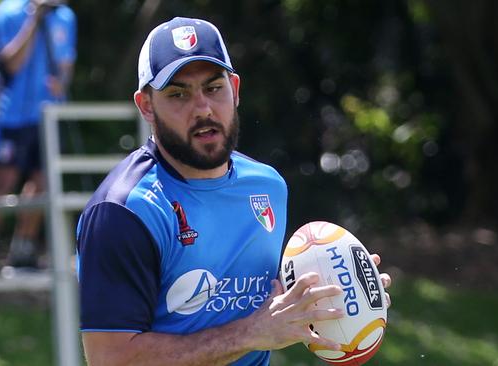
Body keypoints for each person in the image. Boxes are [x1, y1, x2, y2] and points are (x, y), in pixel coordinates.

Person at [76, 17, 391, 365]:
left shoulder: (267, 186)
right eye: (178, 94)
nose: (203, 109)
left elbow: (264, 304)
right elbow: (110, 359)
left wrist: (346, 293)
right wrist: (252, 333)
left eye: (213, 88)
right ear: (146, 105)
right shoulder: (125, 211)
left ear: (235, 90)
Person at [0, 0, 76, 269]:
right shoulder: (8, 12)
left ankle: (23, 249)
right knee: (4, 179)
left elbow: (67, 64)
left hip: (49, 115)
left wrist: (62, 82)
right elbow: (11, 63)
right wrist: (34, 20)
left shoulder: (66, 17)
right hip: (14, 115)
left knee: (42, 181)